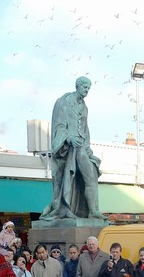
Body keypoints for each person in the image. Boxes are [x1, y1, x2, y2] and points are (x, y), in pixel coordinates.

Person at [40, 76, 105, 220]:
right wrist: (69, 138)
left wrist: (88, 150)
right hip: (67, 149)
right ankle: (63, 208)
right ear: (78, 86)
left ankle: (93, 210)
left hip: (81, 148)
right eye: (85, 87)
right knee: (65, 180)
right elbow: (59, 126)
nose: (87, 90)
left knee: (91, 175)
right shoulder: (64, 102)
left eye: (88, 88)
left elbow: (85, 130)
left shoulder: (84, 107)